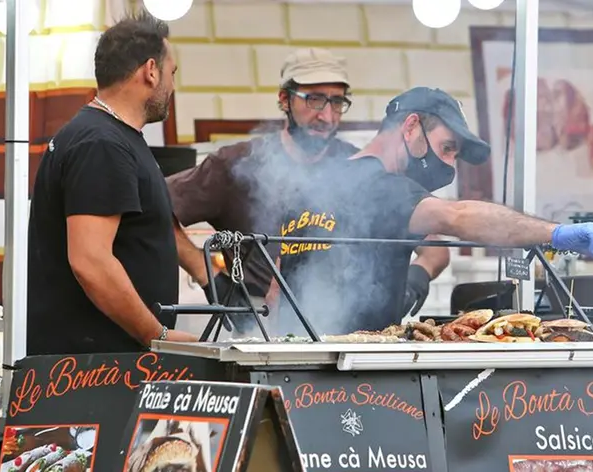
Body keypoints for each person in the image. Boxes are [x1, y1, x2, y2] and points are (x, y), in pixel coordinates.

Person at [272, 87, 593, 336]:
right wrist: (553, 233)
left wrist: (411, 281)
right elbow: (455, 218)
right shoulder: (382, 187)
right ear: (411, 126)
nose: (448, 163)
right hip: (350, 373)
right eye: (447, 147)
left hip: (295, 360)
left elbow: (277, 285)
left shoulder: (313, 185)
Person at [167, 48, 449, 337]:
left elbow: (434, 251)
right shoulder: (236, 164)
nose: (326, 115)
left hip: (352, 328)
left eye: (337, 102)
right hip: (259, 320)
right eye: (314, 99)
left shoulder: (362, 168)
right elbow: (155, 210)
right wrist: (209, 277)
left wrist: (416, 278)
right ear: (284, 99)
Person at [26, 12, 197, 355]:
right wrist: (157, 335)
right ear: (151, 71)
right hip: (92, 375)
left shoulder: (113, 137)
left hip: (108, 368)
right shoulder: (101, 144)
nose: (173, 86)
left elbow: (146, 227)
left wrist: (208, 274)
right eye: (172, 73)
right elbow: (91, 261)